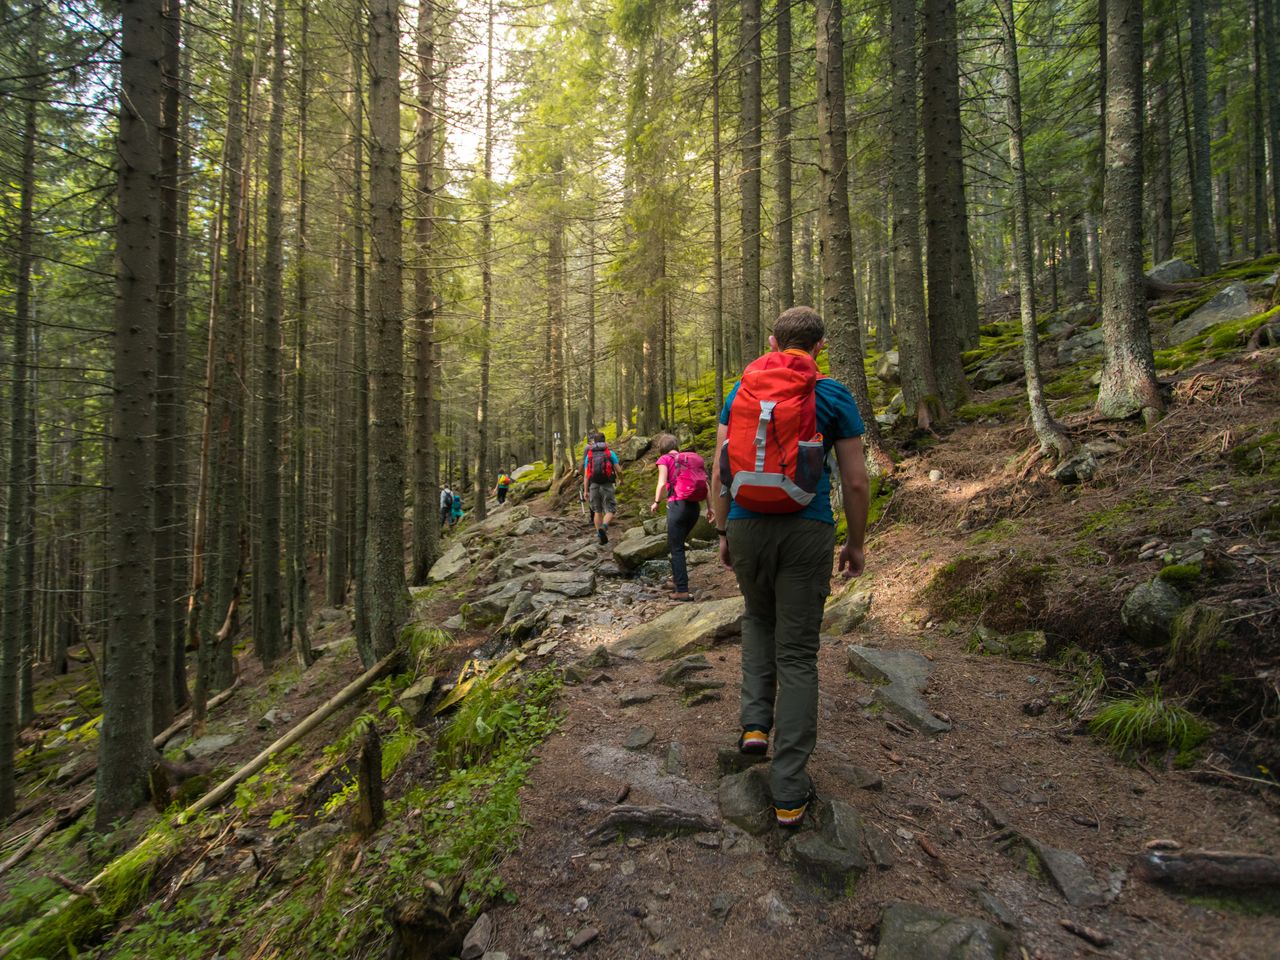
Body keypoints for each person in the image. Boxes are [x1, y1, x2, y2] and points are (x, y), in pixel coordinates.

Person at [710, 306, 870, 829]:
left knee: (757, 619)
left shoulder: (741, 390)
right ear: (820, 347)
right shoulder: (832, 395)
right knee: (798, 654)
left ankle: (755, 725)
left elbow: (721, 468)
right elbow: (856, 482)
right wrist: (857, 544)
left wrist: (724, 528)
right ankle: (788, 792)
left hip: (746, 524)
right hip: (808, 529)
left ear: (774, 341)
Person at [650, 433, 711, 601]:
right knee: (676, 543)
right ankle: (677, 579)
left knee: (676, 548)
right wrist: (711, 507)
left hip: (678, 506)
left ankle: (682, 590)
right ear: (676, 446)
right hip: (694, 508)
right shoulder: (689, 460)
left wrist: (656, 501)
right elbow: (705, 483)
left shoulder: (664, 460)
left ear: (662, 449)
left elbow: (662, 483)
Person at [582, 432, 620, 544]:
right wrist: (621, 479)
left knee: (597, 511)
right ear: (604, 441)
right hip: (607, 484)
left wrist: (585, 490)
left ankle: (600, 536)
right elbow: (619, 470)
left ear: (594, 441)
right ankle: (604, 526)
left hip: (593, 485)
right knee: (611, 509)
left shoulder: (589, 455)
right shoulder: (610, 453)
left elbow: (586, 475)